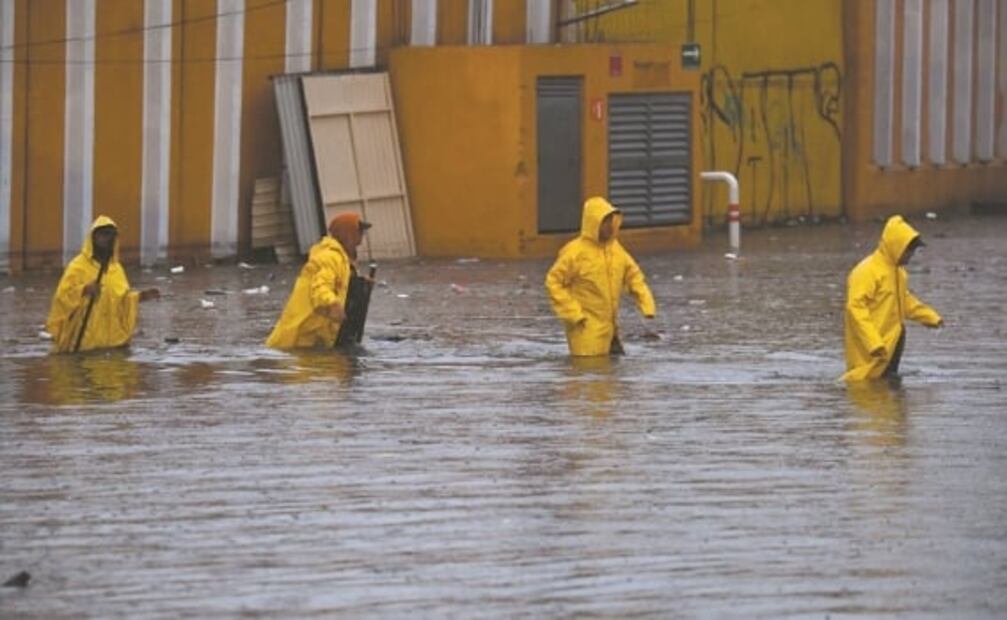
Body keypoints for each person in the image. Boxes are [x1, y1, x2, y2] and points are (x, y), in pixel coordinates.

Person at [545, 196, 656, 356]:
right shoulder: (574, 252)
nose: (609, 227)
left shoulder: (615, 249)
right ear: (593, 223)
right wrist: (574, 314)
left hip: (610, 330)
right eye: (604, 222)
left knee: (610, 374)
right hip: (585, 330)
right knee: (588, 371)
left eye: (611, 221)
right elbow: (553, 282)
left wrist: (647, 305)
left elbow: (634, 277)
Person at [842, 215, 943, 381]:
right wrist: (873, 343)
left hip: (891, 341)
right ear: (898, 247)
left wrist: (930, 317)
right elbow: (855, 308)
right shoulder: (867, 271)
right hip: (874, 347)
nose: (911, 255)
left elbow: (905, 300)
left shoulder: (898, 272)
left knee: (886, 385)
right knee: (863, 380)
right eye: (909, 250)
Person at [46, 215, 160, 353]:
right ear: (93, 237)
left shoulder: (116, 269)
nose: (107, 240)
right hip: (84, 343)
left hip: (111, 343)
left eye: (111, 236)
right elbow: (61, 298)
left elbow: (121, 299)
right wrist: (84, 290)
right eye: (103, 235)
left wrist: (140, 297)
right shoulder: (77, 267)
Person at [266, 213, 371, 349]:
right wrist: (332, 303)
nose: (361, 238)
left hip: (312, 340)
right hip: (295, 341)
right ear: (348, 234)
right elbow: (320, 287)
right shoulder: (329, 257)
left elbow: (339, 285)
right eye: (359, 232)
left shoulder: (342, 260)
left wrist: (360, 284)